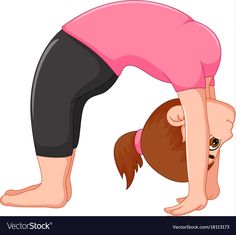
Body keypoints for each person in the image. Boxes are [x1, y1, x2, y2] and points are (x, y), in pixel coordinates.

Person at [0, 1, 229, 215]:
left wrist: (201, 190)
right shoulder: (198, 66)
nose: (228, 135)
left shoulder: (188, 69)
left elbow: (201, 127)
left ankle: (53, 188)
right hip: (87, 45)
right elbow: (199, 127)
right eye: (215, 144)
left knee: (51, 100)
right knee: (61, 101)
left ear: (178, 116)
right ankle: (54, 187)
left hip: (80, 46)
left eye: (214, 142)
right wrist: (206, 187)